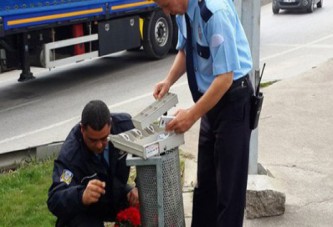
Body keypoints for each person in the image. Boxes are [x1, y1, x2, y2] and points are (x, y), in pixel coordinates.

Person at [152, 0, 253, 226]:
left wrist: (191, 115)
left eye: (166, 5)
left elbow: (225, 78)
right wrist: (168, 80)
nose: (166, 12)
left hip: (233, 102)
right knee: (206, 187)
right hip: (211, 104)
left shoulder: (214, 13)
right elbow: (186, 49)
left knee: (229, 193)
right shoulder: (184, 11)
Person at [47, 100, 139, 227]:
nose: (99, 145)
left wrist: (139, 187)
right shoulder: (70, 155)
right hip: (88, 210)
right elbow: (55, 199)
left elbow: (152, 151)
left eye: (104, 138)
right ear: (82, 129)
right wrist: (81, 196)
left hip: (116, 193)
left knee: (147, 200)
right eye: (93, 140)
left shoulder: (125, 127)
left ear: (111, 125)